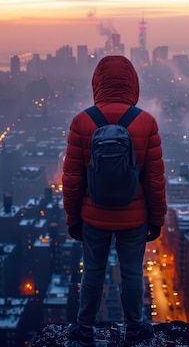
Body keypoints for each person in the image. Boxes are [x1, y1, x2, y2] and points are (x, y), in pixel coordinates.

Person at [62, 55, 167, 347]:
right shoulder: (145, 121)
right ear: (133, 83)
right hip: (134, 218)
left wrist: (73, 218)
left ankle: (84, 328)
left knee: (92, 273)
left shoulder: (82, 121)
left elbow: (71, 177)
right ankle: (135, 328)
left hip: (93, 215)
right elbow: (154, 179)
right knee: (132, 274)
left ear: (97, 82)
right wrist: (157, 219)